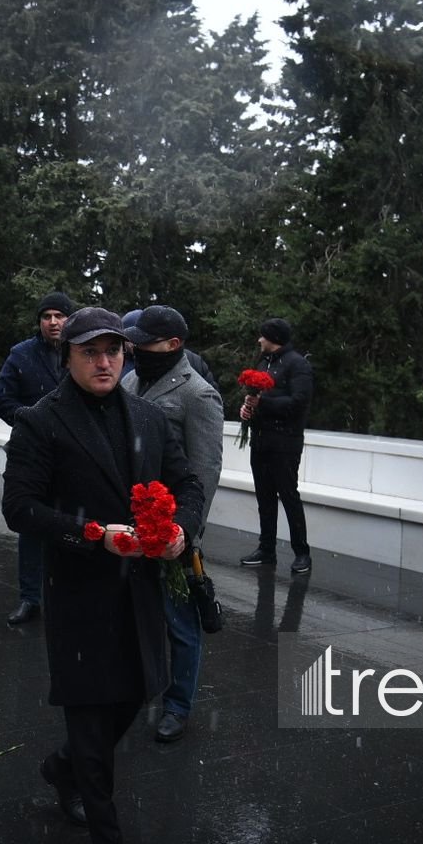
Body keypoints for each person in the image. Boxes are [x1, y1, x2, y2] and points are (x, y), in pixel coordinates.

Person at [1, 307, 204, 844]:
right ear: (68, 356)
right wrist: (92, 534)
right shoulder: (42, 422)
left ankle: (63, 767)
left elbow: (187, 483)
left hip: (140, 587)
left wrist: (182, 532)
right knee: (91, 717)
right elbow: (20, 508)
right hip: (81, 594)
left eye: (114, 350)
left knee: (138, 691)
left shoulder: (146, 414)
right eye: (90, 351)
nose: (104, 361)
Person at [120, 305, 224, 744]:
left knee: (180, 623)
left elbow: (203, 473)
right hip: (127, 522)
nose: (133, 348)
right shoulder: (128, 379)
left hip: (171, 532)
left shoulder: (197, 395)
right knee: (135, 615)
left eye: (142, 341)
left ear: (173, 344)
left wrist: (185, 532)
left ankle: (178, 705)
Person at [0, 291, 75, 623]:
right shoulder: (21, 355)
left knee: (73, 524)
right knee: (31, 526)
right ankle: (31, 597)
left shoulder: (82, 352)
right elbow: (2, 399)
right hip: (32, 454)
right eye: (47, 316)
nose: (53, 322)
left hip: (73, 455)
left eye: (59, 316)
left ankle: (68, 594)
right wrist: (33, 421)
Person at [238, 317, 313, 575]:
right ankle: (266, 550)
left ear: (273, 339)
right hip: (261, 441)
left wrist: (263, 405)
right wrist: (247, 409)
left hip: (285, 442)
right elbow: (260, 398)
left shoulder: (298, 365)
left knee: (289, 496)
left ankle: (302, 553)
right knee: (264, 498)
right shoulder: (264, 362)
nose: (259, 340)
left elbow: (298, 403)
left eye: (262, 336)